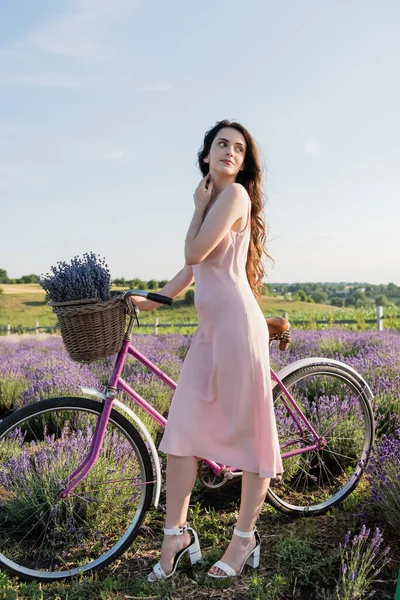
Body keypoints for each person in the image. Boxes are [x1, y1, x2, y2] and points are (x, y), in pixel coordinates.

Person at [131, 119, 284, 582]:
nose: (230, 153)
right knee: (181, 432)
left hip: (238, 328)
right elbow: (189, 272)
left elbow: (196, 253)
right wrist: (146, 299)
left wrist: (197, 206)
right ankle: (175, 536)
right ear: (206, 155)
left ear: (243, 161)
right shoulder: (214, 202)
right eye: (222, 144)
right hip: (211, 333)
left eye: (239, 148)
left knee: (252, 436)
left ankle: (243, 540)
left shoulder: (232, 196)